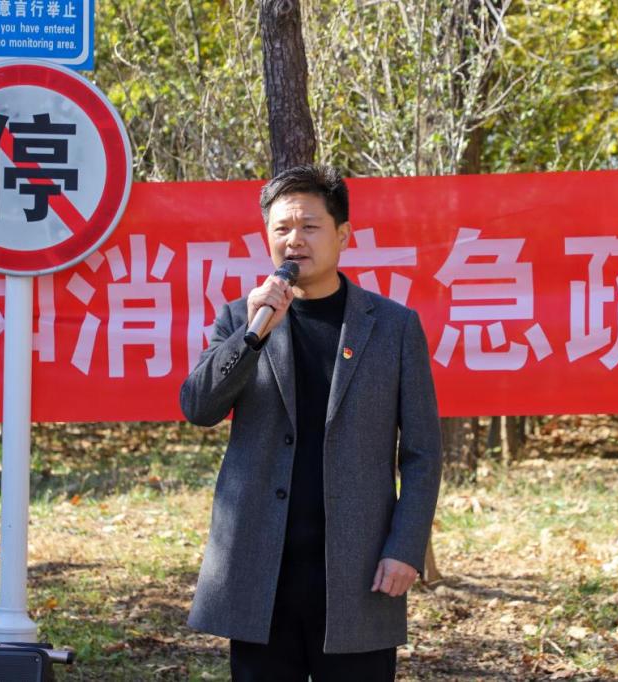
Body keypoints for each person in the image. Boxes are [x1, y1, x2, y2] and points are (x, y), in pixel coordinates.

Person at [180, 164, 442, 681]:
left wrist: (405, 549)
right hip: (261, 568)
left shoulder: (393, 327)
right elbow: (199, 407)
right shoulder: (241, 317)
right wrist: (252, 336)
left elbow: (422, 453)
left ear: (343, 235)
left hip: (358, 569)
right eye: (281, 228)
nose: (294, 240)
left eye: (309, 226)